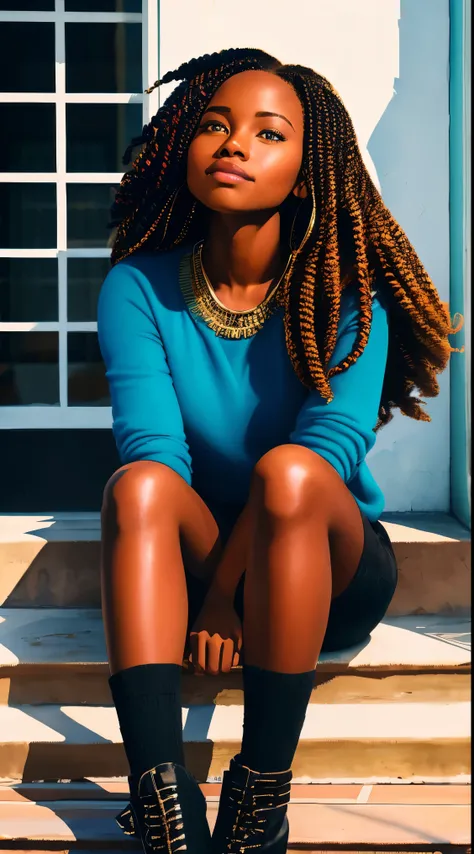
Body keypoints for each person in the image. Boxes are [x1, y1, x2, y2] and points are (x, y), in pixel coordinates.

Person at [97, 47, 462, 853]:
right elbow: (155, 449)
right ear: (183, 148)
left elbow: (325, 453)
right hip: (199, 552)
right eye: (217, 126)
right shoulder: (138, 287)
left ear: (306, 171)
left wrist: (227, 600)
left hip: (329, 565)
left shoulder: (344, 292)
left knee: (292, 470)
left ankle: (261, 794)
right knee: (137, 487)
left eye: (268, 134)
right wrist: (216, 585)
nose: (234, 145)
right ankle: (161, 798)